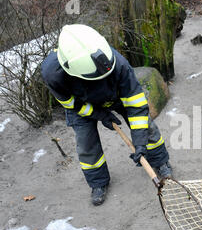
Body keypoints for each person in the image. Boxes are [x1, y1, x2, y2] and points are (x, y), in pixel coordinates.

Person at [41, 24, 173, 206]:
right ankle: (98, 182)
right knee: (86, 143)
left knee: (147, 128)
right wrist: (99, 115)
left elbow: (135, 105)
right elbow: (71, 104)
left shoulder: (118, 64)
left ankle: (160, 161)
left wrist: (140, 143)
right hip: (83, 105)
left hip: (117, 96)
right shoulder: (53, 74)